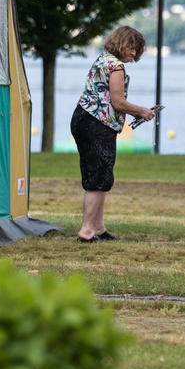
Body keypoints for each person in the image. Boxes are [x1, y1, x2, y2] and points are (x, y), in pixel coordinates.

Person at [71, 26, 157, 242]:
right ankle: (86, 231)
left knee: (102, 174)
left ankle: (98, 227)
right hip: (96, 124)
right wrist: (143, 111)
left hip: (85, 120)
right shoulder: (116, 67)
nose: (134, 54)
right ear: (122, 44)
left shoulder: (103, 59)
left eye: (137, 50)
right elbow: (118, 102)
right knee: (97, 176)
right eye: (132, 48)